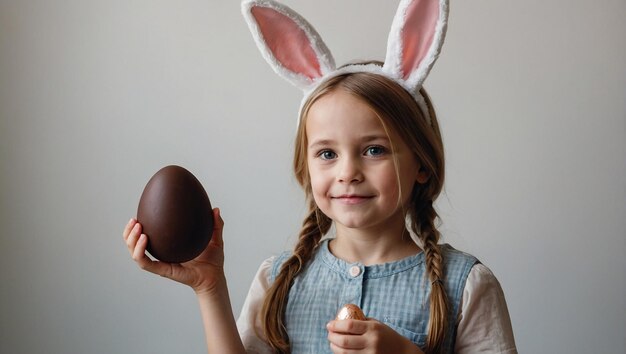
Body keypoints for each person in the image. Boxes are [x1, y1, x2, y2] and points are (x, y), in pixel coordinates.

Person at [123, 0, 517, 353]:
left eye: (374, 150)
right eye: (327, 153)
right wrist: (209, 287)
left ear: (422, 164)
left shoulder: (465, 287)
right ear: (306, 168)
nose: (348, 172)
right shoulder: (278, 281)